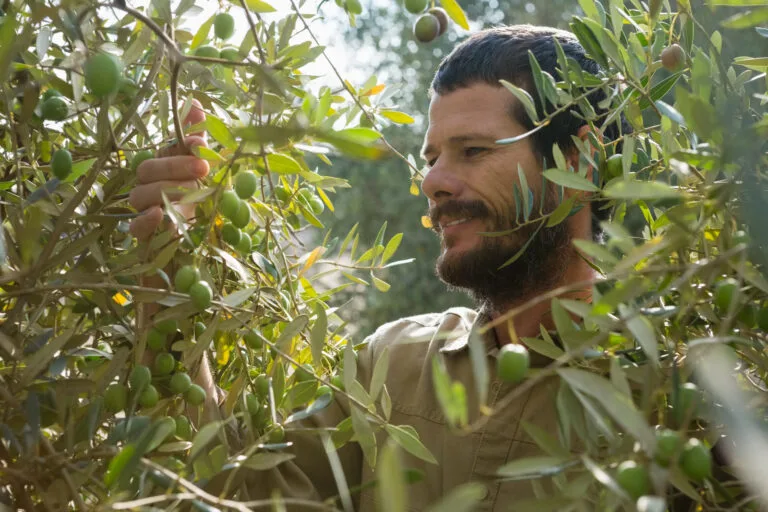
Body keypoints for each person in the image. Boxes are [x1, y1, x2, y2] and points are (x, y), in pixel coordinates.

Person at [130, 25, 627, 510]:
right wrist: (167, 267)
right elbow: (225, 490)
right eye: (430, 158)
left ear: (580, 160)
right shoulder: (389, 367)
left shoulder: (666, 399)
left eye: (472, 150)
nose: (433, 181)